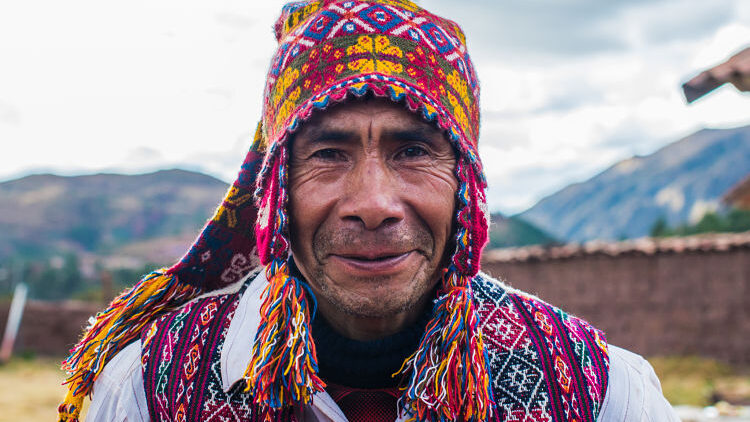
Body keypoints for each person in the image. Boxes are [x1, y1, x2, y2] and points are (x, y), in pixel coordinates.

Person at [58, 1, 681, 421]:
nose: (375, 204)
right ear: (276, 189)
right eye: (329, 153)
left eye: (414, 150)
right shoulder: (151, 387)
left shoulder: (598, 392)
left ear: (464, 184)